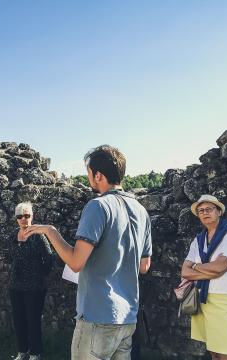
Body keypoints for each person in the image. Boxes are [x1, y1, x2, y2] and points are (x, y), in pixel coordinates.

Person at [25, 145, 152, 360]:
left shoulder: (98, 206)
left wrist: (51, 232)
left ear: (98, 175)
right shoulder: (141, 211)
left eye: (88, 173)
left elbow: (76, 262)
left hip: (98, 317)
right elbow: (144, 266)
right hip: (128, 318)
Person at [180, 195, 227, 360]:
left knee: (225, 353)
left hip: (224, 300)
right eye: (201, 211)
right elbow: (185, 272)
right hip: (202, 299)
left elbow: (221, 266)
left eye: (209, 209)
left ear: (219, 211)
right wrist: (211, 270)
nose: (205, 213)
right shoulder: (198, 240)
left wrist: (196, 267)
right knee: (213, 352)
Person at [8, 202, 53, 360]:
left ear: (32, 217)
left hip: (35, 286)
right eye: (20, 216)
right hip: (15, 285)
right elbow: (10, 257)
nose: (23, 219)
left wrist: (39, 274)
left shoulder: (39, 236)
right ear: (16, 219)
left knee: (33, 320)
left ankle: (35, 353)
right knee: (19, 319)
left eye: (26, 215)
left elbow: (49, 258)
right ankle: (22, 351)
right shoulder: (13, 235)